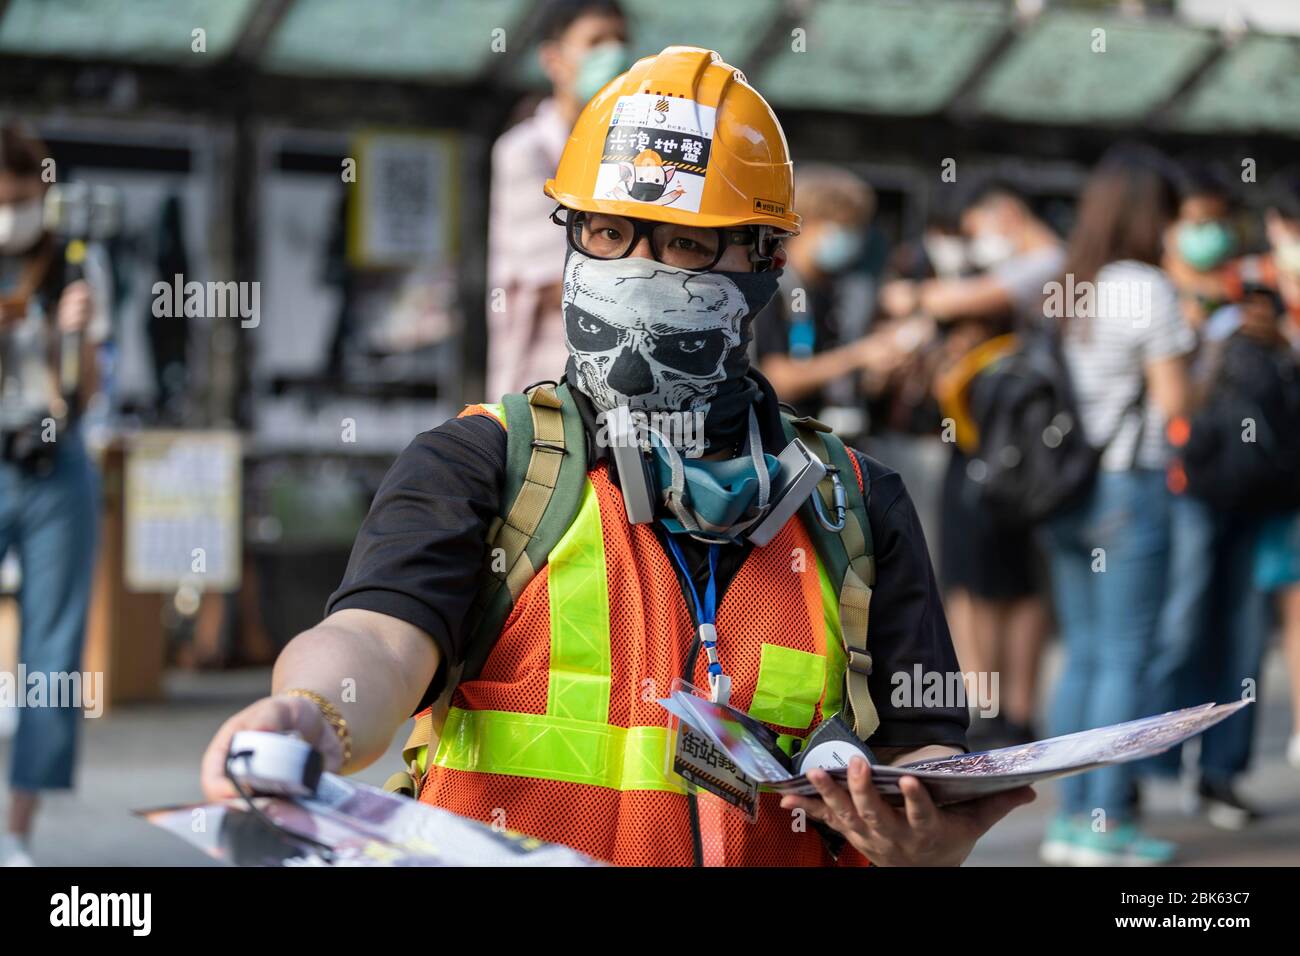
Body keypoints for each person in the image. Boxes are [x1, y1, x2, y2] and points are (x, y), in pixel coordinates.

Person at [201, 47, 1033, 867]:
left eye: (686, 246)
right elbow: (377, 642)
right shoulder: (484, 465)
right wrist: (309, 716)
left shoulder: (854, 504)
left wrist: (923, 838)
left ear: (767, 263)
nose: (637, 270)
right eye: (608, 232)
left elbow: (923, 759)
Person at [1037, 145, 1194, 866]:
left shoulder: (1072, 283)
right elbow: (1175, 405)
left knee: (1085, 655)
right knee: (1126, 657)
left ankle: (1070, 821)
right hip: (1129, 487)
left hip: (1065, 489)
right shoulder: (1148, 288)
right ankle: (1106, 825)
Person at [882, 179, 1065, 750]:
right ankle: (992, 709)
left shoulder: (1042, 263)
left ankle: (1008, 711)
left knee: (1007, 583)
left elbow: (950, 301)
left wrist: (919, 298)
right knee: (976, 580)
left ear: (1006, 212)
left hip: (1011, 449)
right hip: (983, 446)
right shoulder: (1027, 264)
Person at [0, 123, 101, 867]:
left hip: (55, 465)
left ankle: (17, 831)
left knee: (53, 652)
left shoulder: (70, 262)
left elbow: (85, 396)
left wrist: (82, 336)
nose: (14, 212)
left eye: (24, 198)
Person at [485, 0, 629, 397]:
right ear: (553, 59)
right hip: (544, 388)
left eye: (621, 40)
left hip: (621, 390)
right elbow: (564, 281)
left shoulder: (630, 155)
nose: (614, 53)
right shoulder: (526, 151)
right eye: (596, 41)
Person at [752, 164, 900, 429]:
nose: (851, 238)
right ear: (803, 223)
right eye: (842, 225)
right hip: (777, 438)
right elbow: (778, 378)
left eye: (857, 228)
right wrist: (859, 355)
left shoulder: (830, 291)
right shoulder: (773, 286)